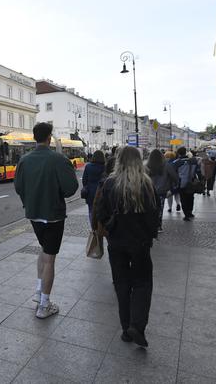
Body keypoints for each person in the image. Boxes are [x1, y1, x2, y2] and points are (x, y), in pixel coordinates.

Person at [95, 146, 159, 348]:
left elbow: (100, 212)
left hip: (116, 242)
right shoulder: (146, 184)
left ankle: (126, 329)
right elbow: (153, 216)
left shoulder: (110, 183)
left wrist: (108, 227)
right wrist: (149, 235)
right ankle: (137, 326)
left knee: (122, 284)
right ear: (139, 161)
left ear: (118, 161)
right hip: (140, 243)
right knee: (142, 283)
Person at [14, 122, 79, 319]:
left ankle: (38, 292)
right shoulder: (58, 159)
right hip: (53, 215)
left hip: (34, 213)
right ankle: (44, 305)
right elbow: (70, 189)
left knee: (43, 250)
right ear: (49, 137)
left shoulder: (24, 160)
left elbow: (18, 187)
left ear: (35, 137)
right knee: (50, 258)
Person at [145, 149, 177, 232]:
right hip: (162, 191)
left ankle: (150, 224)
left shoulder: (146, 166)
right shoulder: (166, 165)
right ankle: (158, 225)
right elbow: (174, 177)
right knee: (160, 208)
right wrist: (172, 187)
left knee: (150, 208)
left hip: (149, 191)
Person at [172, 147, 201, 221]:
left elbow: (173, 174)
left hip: (181, 183)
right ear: (186, 152)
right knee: (191, 197)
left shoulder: (176, 162)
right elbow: (198, 171)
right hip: (191, 183)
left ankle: (186, 214)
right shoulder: (193, 161)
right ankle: (190, 212)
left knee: (183, 198)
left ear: (178, 153)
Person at [81, 150, 106, 226]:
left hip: (91, 193)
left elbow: (84, 180)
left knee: (91, 210)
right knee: (103, 210)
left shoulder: (88, 166)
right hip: (102, 192)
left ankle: (93, 228)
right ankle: (101, 227)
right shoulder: (105, 167)